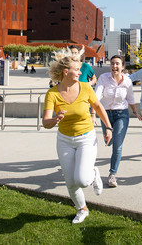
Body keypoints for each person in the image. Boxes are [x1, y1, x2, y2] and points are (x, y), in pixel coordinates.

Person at [42, 53, 112, 224]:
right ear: (66, 72)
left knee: (81, 180)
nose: (81, 73)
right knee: (70, 182)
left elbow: (98, 106)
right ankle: (82, 209)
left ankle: (94, 172)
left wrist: (108, 126)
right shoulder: (52, 94)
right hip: (64, 140)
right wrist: (55, 119)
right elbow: (45, 122)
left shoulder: (86, 88)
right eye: (77, 70)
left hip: (86, 138)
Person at [93, 55, 142, 187]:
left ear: (122, 67)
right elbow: (96, 96)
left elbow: (131, 98)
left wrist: (135, 112)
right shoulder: (104, 78)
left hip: (122, 114)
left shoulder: (127, 81)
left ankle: (112, 174)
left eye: (117, 64)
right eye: (112, 63)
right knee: (108, 141)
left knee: (117, 144)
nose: (114, 66)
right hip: (105, 114)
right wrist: (93, 113)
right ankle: (109, 139)